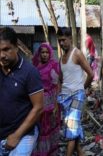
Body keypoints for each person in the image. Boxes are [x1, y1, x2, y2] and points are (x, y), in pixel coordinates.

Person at [0, 27, 44, 156]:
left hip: (24, 133)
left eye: (6, 49)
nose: (2, 55)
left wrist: (16, 135)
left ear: (16, 47)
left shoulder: (29, 72)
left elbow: (39, 107)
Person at [57, 28, 94, 156]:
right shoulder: (61, 58)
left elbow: (90, 74)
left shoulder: (76, 53)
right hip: (65, 97)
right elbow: (61, 80)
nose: (61, 43)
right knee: (72, 126)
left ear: (70, 39)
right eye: (59, 40)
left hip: (77, 95)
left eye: (64, 40)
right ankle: (80, 152)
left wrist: (82, 88)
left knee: (71, 130)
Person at [31, 43, 61, 156]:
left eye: (46, 52)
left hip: (50, 102)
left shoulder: (53, 66)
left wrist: (56, 105)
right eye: (42, 52)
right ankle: (39, 151)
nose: (44, 55)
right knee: (39, 128)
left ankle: (49, 151)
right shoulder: (35, 66)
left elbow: (56, 86)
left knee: (49, 127)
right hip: (37, 101)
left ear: (50, 54)